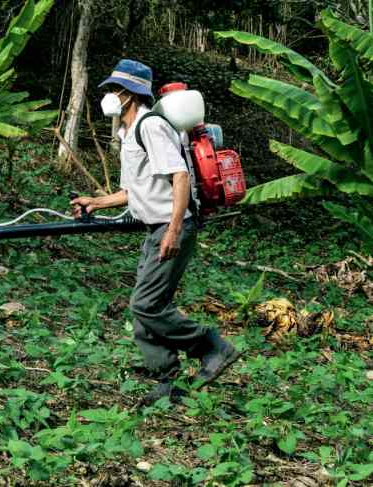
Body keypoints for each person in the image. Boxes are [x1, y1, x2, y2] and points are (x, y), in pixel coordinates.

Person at [71, 59, 240, 405]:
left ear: (131, 94)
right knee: (146, 307)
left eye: (114, 90)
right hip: (155, 227)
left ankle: (211, 346)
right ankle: (167, 380)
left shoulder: (151, 127)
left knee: (146, 304)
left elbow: (178, 176)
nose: (108, 96)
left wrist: (173, 230)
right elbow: (134, 190)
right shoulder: (127, 132)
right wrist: (96, 202)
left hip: (172, 225)